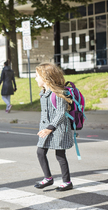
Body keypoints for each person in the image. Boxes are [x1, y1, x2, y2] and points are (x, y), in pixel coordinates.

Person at [34, 62, 74, 192]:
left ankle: (67, 182)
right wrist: (44, 128)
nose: (35, 78)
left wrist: (50, 128)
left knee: (60, 155)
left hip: (58, 128)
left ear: (45, 78)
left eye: (37, 76)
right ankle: (48, 178)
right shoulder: (43, 93)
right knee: (40, 152)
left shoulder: (58, 94)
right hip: (46, 128)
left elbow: (61, 113)